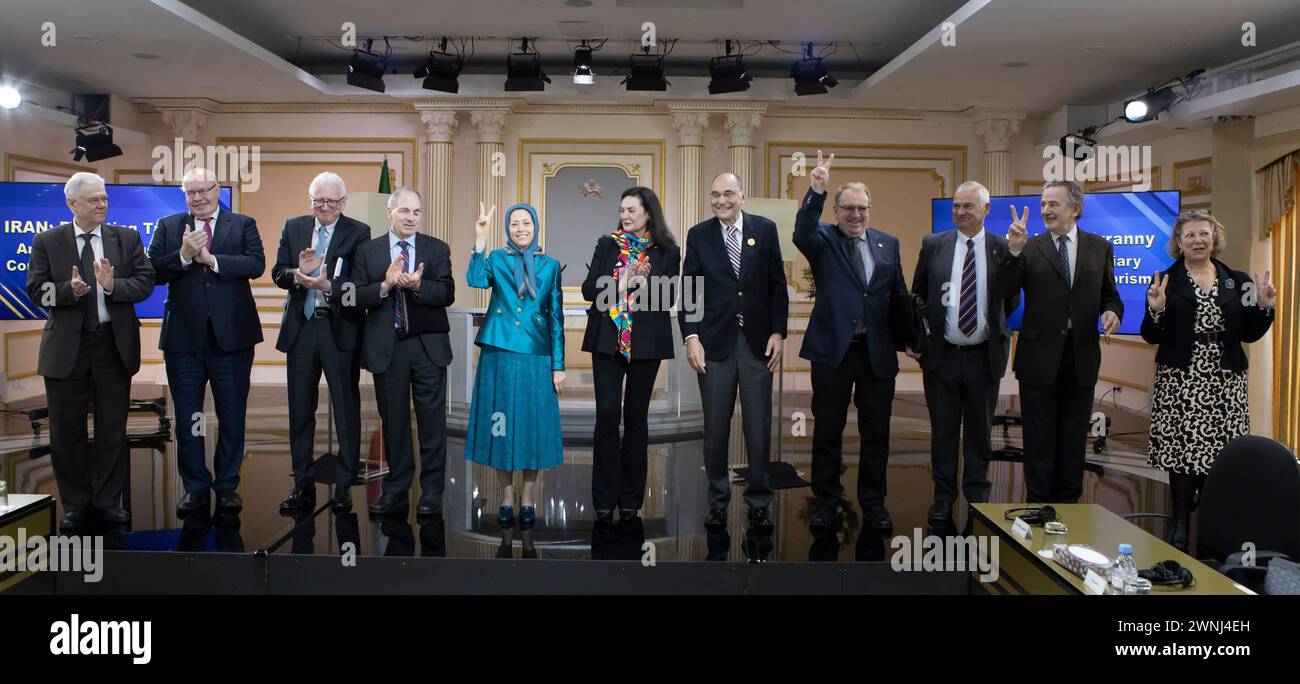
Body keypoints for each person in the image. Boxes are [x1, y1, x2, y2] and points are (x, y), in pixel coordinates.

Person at [27, 172, 155, 530]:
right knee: (66, 433)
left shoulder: (125, 238)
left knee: (112, 429)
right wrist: (70, 291)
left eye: (104, 198)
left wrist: (114, 285)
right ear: (72, 204)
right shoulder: (48, 241)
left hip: (112, 345)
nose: (103, 205)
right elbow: (37, 292)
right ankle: (75, 504)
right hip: (66, 348)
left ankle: (107, 501)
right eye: (93, 200)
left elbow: (145, 283)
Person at [1142, 210, 1276, 550]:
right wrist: (1156, 310)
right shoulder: (1165, 281)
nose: (1198, 240)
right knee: (1183, 450)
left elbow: (1250, 331)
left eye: (1204, 234)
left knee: (1220, 451)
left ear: (1214, 238)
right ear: (1179, 243)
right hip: (1181, 378)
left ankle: (1216, 516)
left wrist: (1264, 307)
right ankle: (1181, 519)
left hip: (1225, 379)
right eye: (1190, 235)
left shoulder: (1241, 281)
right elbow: (1150, 335)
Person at [794, 151, 909, 532]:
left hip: (876, 354)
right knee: (828, 430)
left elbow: (898, 295)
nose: (856, 215)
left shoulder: (887, 244)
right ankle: (826, 501)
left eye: (863, 209)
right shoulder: (823, 239)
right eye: (849, 209)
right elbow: (801, 232)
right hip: (832, 353)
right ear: (836, 210)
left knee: (876, 434)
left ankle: (874, 503)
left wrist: (912, 340)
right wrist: (817, 189)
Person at [149, 168, 264, 516]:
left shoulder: (242, 224)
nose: (197, 197)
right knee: (189, 417)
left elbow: (256, 264)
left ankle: (227, 485)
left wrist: (211, 260)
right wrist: (183, 255)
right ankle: (195, 486)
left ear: (217, 191)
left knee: (232, 416)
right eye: (190, 192)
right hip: (184, 341)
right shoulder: (169, 226)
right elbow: (152, 271)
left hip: (233, 339)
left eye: (203, 190)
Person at [999, 180, 1123, 504]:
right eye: (1043, 204)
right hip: (1038, 357)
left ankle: (1069, 507)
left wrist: (1112, 313)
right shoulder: (1028, 245)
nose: (1046, 210)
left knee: (1072, 439)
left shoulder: (1100, 247)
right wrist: (1013, 251)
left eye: (1053, 204)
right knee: (1038, 440)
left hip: (1080, 357)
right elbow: (1006, 293)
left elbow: (1111, 296)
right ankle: (1038, 504)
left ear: (1075, 209)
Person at [679, 172, 787, 530]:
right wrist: (691, 337)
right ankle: (718, 499)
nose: (720, 200)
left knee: (758, 426)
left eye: (727, 193)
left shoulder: (766, 229)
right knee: (715, 429)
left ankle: (759, 499)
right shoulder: (699, 235)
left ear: (742, 195)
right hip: (713, 345)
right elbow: (690, 291)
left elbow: (777, 285)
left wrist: (778, 332)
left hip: (757, 344)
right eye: (715, 195)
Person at [911, 180, 1017, 529]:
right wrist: (918, 340)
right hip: (942, 357)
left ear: (986, 210)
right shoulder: (934, 244)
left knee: (979, 432)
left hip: (983, 357)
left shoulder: (1003, 249)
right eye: (956, 206)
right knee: (943, 431)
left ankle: (977, 496)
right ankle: (943, 497)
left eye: (968, 206)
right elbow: (919, 296)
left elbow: (1011, 300)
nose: (960, 212)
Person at [349, 187, 455, 516]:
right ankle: (395, 487)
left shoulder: (436, 249)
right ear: (390, 213)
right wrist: (384, 286)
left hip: (428, 348)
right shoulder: (368, 251)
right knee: (393, 422)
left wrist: (419, 285)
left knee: (431, 423)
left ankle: (432, 492)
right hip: (387, 348)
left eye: (417, 212)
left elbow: (448, 292)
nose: (411, 218)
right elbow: (352, 295)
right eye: (405, 211)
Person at [272, 172, 371, 513]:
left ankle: (344, 484)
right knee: (301, 409)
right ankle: (302, 482)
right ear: (309, 199)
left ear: (343, 203)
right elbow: (277, 272)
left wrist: (330, 284)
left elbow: (361, 281)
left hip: (339, 328)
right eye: (318, 201)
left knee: (346, 409)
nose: (324, 207)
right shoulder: (293, 226)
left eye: (331, 202)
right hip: (301, 330)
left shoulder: (359, 232)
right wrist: (297, 276)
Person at [581, 187, 680, 524]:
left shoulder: (667, 250)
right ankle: (604, 499)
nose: (625, 216)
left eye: (632, 211)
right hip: (607, 339)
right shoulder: (606, 243)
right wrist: (622, 282)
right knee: (607, 414)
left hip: (646, 343)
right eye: (622, 210)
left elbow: (667, 298)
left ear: (649, 213)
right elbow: (589, 290)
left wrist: (645, 283)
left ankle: (631, 501)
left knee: (636, 417)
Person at [465, 201, 566, 529]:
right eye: (514, 225)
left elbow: (556, 319)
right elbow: (475, 280)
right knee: (502, 424)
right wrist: (480, 239)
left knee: (532, 425)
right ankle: (507, 496)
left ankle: (528, 497)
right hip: (500, 352)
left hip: (536, 356)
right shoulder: (496, 258)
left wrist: (559, 364)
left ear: (536, 226)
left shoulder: (550, 266)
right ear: (507, 229)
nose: (520, 229)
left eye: (526, 223)